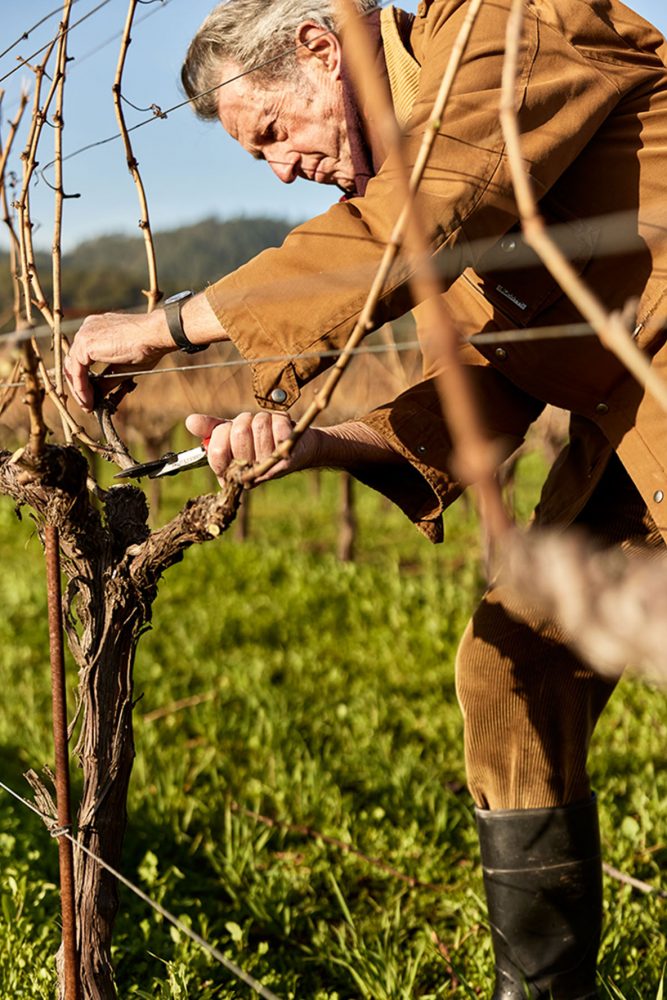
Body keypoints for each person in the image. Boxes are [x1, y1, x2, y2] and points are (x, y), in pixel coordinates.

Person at [66, 0, 667, 995]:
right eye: (260, 160)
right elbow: (490, 375)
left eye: (273, 134)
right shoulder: (427, 179)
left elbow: (417, 221)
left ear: (318, 47)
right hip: (631, 440)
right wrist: (309, 446)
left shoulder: (503, 31)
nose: (282, 170)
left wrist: (167, 328)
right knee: (509, 667)